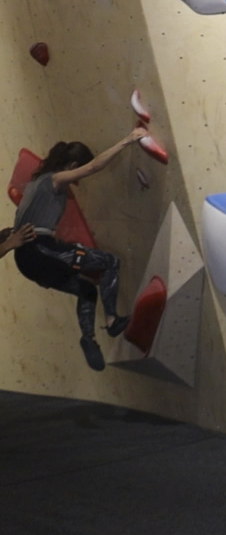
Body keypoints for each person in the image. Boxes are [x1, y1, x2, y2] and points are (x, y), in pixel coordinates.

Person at [13, 129, 149, 371]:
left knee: (86, 289)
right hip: (40, 251)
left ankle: (89, 337)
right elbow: (92, 167)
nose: (76, 181)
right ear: (72, 164)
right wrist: (127, 140)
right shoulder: (54, 180)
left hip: (27, 260)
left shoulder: (35, 184)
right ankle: (112, 319)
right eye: (75, 172)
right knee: (110, 262)